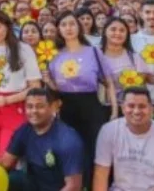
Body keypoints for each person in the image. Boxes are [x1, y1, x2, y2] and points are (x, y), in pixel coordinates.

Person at [44, 11, 116, 185]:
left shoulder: (93, 52)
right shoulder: (54, 56)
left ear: (79, 27)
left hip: (91, 107)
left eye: (71, 24)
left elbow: (109, 82)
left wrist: (114, 111)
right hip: (67, 109)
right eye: (63, 25)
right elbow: (57, 90)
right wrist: (48, 81)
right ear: (58, 30)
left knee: (94, 151)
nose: (68, 28)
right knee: (71, 152)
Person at [0, 11, 42, 168]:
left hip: (14, 109)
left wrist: (7, 100)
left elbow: (35, 86)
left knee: (5, 164)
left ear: (7, 26)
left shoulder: (24, 49)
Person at [93, 87, 154, 191]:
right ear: (123, 108)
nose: (136, 111)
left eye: (142, 106)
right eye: (131, 106)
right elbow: (101, 174)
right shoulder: (109, 130)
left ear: (151, 109)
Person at [0, 88, 85, 191]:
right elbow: (5, 163)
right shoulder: (24, 130)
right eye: (30, 106)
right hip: (32, 185)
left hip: (58, 188)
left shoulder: (68, 139)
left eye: (40, 106)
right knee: (9, 178)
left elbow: (74, 186)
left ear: (51, 108)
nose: (34, 111)